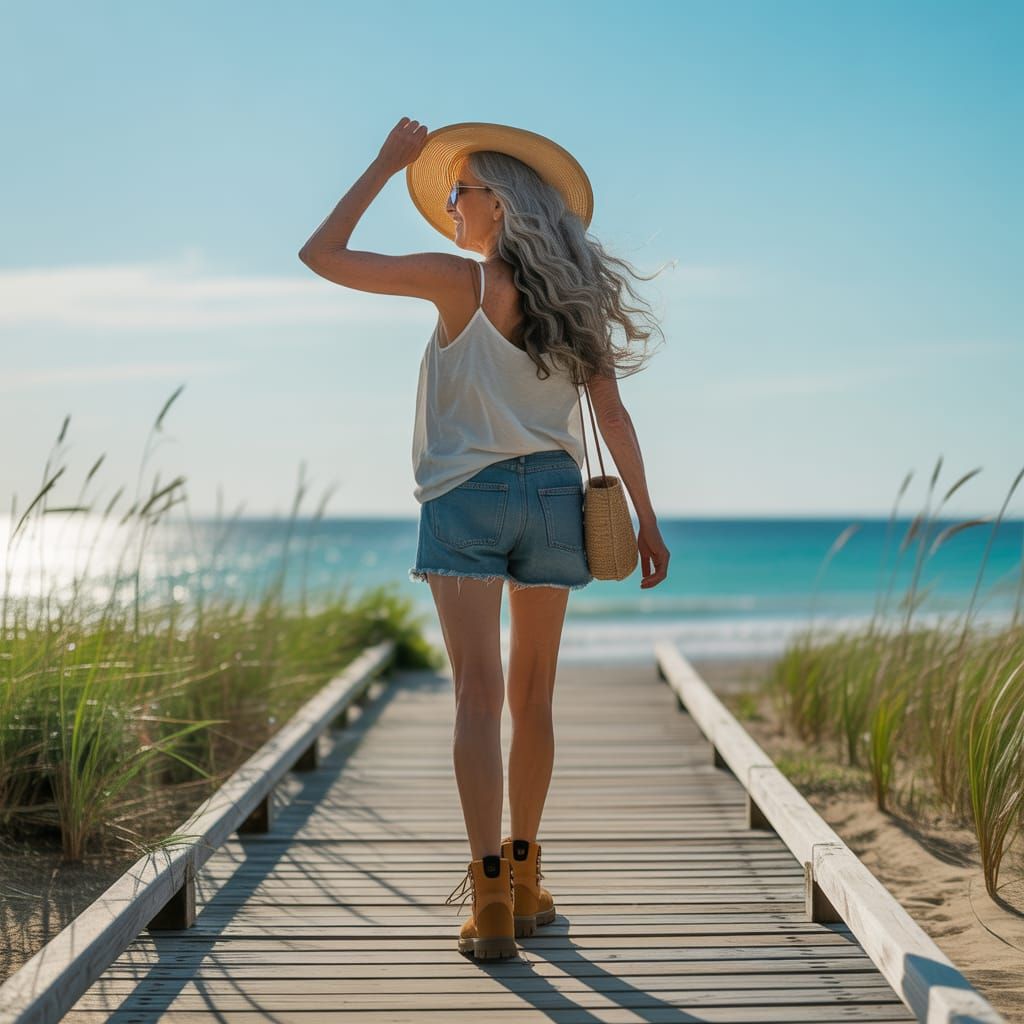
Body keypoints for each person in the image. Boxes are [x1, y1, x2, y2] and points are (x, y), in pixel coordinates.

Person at [299, 117, 671, 960]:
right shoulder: (575, 305)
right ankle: (530, 876)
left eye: (457, 191)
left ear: (498, 206)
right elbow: (612, 416)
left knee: (476, 696)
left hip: (464, 498)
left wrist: (382, 163)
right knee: (532, 694)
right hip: (551, 497)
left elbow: (321, 255)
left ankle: (492, 898)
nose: (448, 205)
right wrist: (647, 518)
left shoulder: (459, 284)